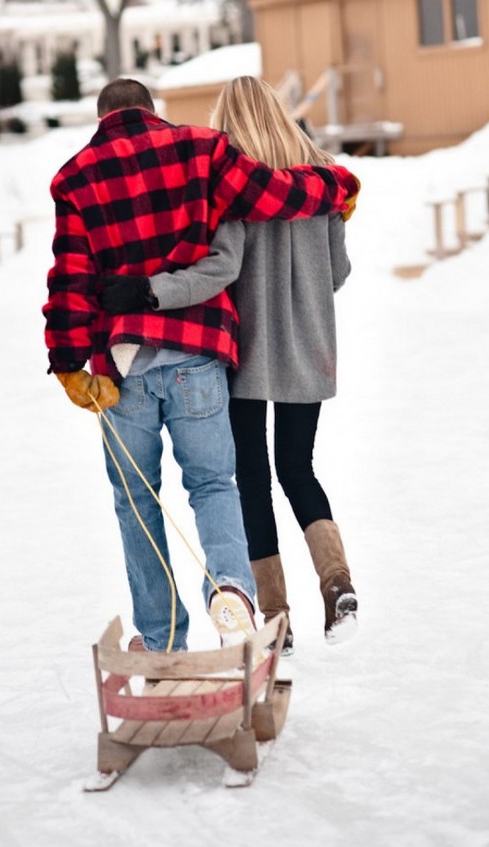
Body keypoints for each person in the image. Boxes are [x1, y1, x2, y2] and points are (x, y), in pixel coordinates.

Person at [43, 78, 359, 655]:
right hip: (252, 352)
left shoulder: (90, 177)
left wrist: (72, 358)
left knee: (178, 493)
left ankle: (216, 628)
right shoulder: (243, 162)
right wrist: (337, 193)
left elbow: (76, 282)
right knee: (250, 478)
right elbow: (306, 234)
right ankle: (284, 589)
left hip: (167, 360)